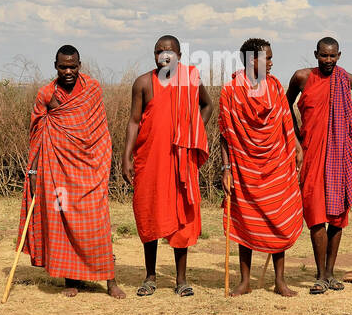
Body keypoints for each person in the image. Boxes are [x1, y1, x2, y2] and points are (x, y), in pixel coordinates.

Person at [23, 46, 124, 298]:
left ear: (80, 64)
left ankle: (110, 280)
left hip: (90, 169)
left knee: (98, 223)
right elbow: (36, 135)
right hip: (57, 169)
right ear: (54, 65)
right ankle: (70, 279)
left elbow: (101, 131)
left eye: (73, 66)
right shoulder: (46, 94)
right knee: (62, 220)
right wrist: (34, 173)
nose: (68, 71)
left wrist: (102, 166)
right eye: (62, 67)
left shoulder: (92, 89)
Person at [122, 35, 211, 297]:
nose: (164, 55)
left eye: (169, 51)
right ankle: (150, 276)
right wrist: (126, 157)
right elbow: (134, 121)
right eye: (159, 51)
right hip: (150, 158)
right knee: (148, 211)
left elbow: (207, 105)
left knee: (181, 214)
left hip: (181, 160)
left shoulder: (191, 78)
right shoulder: (143, 83)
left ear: (180, 55)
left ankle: (181, 280)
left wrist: (194, 132)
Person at [287, 37, 352, 294]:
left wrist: (350, 109)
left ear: (339, 55)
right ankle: (319, 274)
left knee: (337, 216)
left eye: (332, 56)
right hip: (311, 152)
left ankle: (330, 273)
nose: (328, 61)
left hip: (341, 153)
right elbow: (285, 105)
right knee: (315, 215)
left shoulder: (346, 79)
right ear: (316, 54)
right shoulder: (302, 77)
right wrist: (295, 137)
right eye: (323, 56)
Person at [219, 38, 303, 296]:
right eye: (267, 58)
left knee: (278, 218)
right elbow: (225, 132)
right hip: (244, 165)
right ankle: (244, 281)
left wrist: (296, 147)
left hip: (276, 161)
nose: (271, 62)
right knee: (245, 220)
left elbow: (285, 120)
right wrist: (226, 168)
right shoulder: (231, 90)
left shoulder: (276, 86)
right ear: (252, 60)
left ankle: (279, 280)